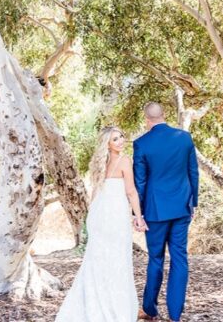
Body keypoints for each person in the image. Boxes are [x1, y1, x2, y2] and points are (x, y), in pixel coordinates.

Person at [55, 126, 146, 321]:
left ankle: (96, 303)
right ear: (108, 144)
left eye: (121, 136)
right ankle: (115, 309)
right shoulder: (124, 160)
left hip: (98, 214)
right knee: (117, 259)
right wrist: (138, 216)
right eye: (115, 139)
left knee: (98, 259)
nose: (121, 140)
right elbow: (130, 191)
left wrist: (91, 218)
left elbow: (96, 193)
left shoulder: (99, 163)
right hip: (114, 215)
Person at [134, 102, 199, 322]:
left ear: (147, 119)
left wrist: (138, 213)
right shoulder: (184, 138)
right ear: (164, 115)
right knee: (180, 258)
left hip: (154, 211)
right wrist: (194, 203)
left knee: (156, 259)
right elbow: (193, 172)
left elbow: (140, 182)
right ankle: (175, 314)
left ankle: (150, 310)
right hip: (181, 207)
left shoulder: (141, 144)